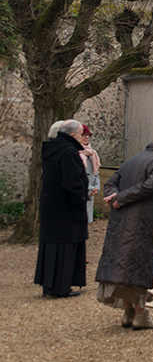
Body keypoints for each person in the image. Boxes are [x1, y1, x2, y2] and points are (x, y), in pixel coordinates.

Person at [96, 136, 153, 330]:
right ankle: (140, 314)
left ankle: (129, 312)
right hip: (142, 221)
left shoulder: (134, 159)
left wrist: (115, 197)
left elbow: (111, 182)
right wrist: (120, 198)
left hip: (121, 220)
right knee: (138, 265)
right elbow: (151, 186)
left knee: (124, 263)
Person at [35, 119, 88, 298]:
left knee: (52, 247)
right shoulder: (69, 153)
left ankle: (50, 285)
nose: (83, 138)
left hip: (52, 205)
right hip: (66, 208)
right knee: (64, 247)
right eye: (81, 134)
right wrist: (81, 197)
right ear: (73, 134)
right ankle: (60, 287)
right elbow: (72, 182)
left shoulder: (53, 149)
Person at [79, 125, 101, 226]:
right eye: (84, 135)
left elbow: (96, 172)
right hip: (81, 188)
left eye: (88, 135)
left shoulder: (93, 153)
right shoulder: (76, 153)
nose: (86, 137)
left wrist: (96, 186)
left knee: (87, 220)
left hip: (90, 190)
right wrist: (89, 187)